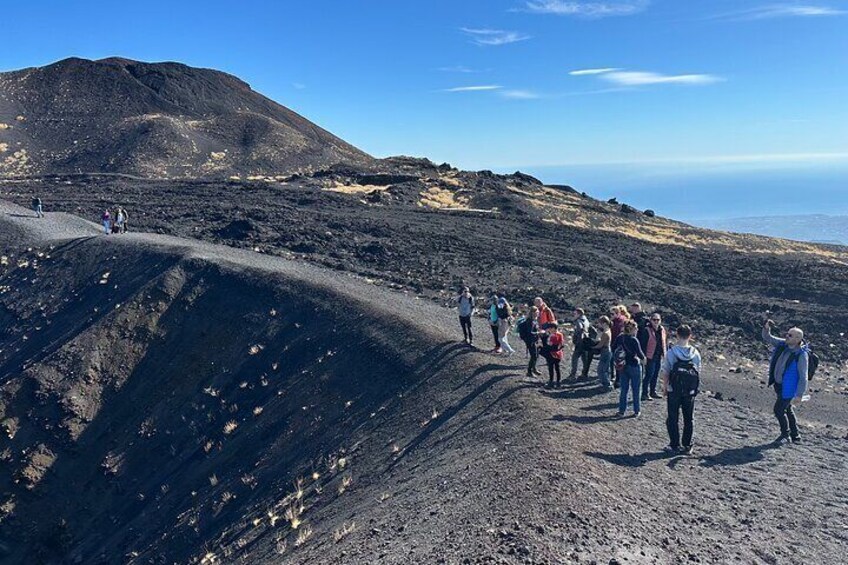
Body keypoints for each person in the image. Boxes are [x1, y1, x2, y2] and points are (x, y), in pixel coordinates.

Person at [762, 320, 809, 444]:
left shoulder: (801, 355)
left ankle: (785, 434)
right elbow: (768, 338)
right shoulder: (784, 344)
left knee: (778, 410)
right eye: (787, 334)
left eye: (790, 335)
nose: (786, 336)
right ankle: (795, 435)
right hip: (779, 385)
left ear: (798, 339)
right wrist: (766, 328)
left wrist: (799, 394)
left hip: (789, 388)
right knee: (787, 409)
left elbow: (803, 376)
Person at [661, 325, 702, 455]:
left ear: (677, 335)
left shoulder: (672, 352)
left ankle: (674, 444)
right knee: (689, 418)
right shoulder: (695, 353)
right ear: (690, 336)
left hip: (674, 389)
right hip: (689, 390)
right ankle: (687, 445)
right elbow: (698, 371)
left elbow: (666, 371)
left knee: (673, 417)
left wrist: (665, 386)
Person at [614, 320, 645, 417]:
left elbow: (613, 347)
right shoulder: (633, 340)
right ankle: (636, 410)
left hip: (623, 366)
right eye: (636, 328)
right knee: (636, 389)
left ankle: (621, 411)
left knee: (624, 390)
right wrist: (644, 361)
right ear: (632, 329)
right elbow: (640, 354)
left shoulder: (620, 337)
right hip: (634, 366)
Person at [638, 313, 667, 401]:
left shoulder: (662, 330)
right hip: (649, 356)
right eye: (654, 320)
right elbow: (643, 344)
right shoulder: (647, 330)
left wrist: (665, 353)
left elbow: (664, 341)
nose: (656, 322)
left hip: (658, 355)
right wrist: (643, 357)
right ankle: (644, 393)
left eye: (658, 320)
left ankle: (652, 391)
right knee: (649, 374)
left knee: (655, 374)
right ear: (650, 320)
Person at [568, 308, 592, 380]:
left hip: (580, 343)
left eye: (575, 314)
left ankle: (573, 375)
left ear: (579, 314)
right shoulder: (586, 320)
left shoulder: (578, 321)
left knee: (574, 358)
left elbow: (580, 330)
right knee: (584, 359)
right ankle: (584, 374)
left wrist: (577, 342)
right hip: (586, 342)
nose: (573, 315)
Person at [519, 306, 542, 377]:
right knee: (533, 356)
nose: (538, 313)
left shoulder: (534, 320)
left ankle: (534, 368)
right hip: (530, 341)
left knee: (536, 355)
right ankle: (529, 371)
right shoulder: (530, 321)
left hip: (534, 340)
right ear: (533, 313)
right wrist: (539, 333)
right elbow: (530, 333)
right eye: (537, 312)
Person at [540, 322, 565, 388]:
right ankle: (558, 382)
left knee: (551, 368)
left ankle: (551, 382)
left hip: (551, 354)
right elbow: (562, 344)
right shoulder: (560, 334)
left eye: (550, 328)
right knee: (557, 368)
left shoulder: (552, 336)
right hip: (559, 354)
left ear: (553, 328)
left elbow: (550, 345)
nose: (549, 329)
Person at [594, 316, 613, 391]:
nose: (598, 325)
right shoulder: (608, 330)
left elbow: (600, 345)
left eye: (600, 323)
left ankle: (607, 385)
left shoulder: (605, 333)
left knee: (601, 370)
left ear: (604, 323)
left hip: (605, 351)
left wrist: (592, 348)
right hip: (607, 351)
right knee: (605, 368)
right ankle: (607, 384)